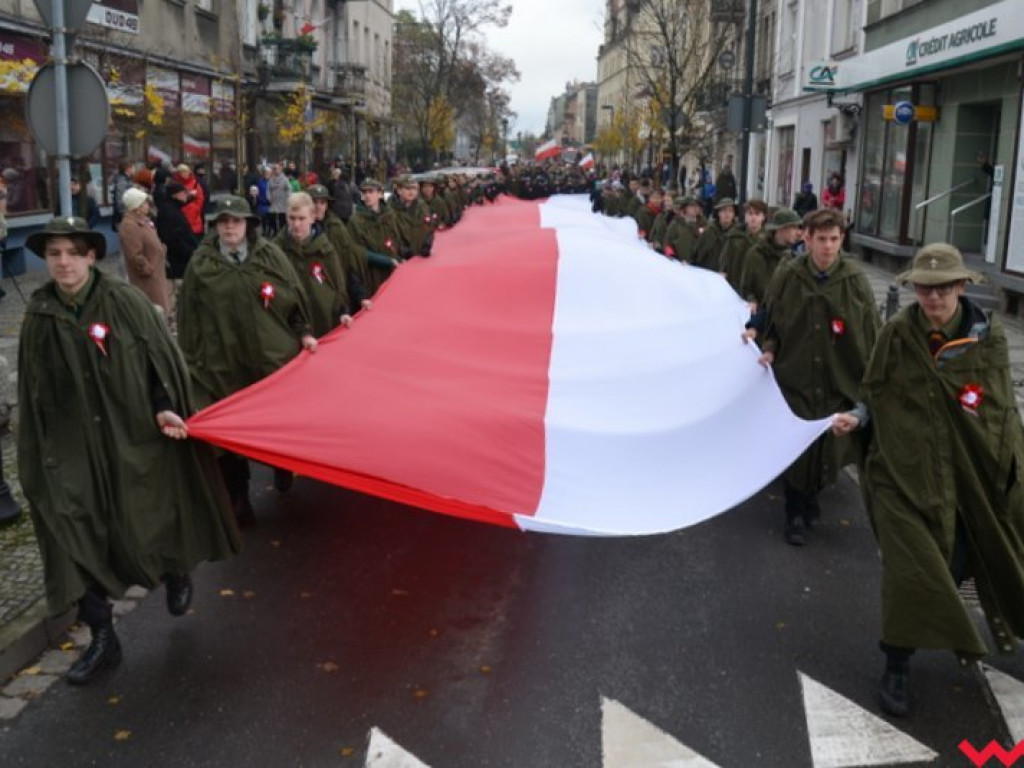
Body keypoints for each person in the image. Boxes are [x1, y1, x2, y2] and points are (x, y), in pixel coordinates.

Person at [17, 216, 239, 685]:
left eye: (72, 253)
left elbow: (162, 361)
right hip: (72, 449)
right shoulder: (39, 314)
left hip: (131, 434)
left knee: (150, 517)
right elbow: (33, 390)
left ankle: (176, 567)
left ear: (91, 257)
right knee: (71, 532)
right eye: (54, 254)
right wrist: (39, 456)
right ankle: (102, 635)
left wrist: (164, 407)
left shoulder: (124, 301)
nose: (62, 263)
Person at [832, 243, 1024, 718]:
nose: (932, 298)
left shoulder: (988, 338)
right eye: (924, 288)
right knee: (911, 568)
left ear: (961, 286)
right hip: (904, 472)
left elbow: (999, 409)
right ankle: (897, 661)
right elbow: (873, 391)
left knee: (985, 556)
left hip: (971, 475)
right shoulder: (897, 333)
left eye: (942, 289)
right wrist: (857, 418)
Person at [177, 196, 317, 522]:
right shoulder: (201, 265)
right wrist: (191, 360)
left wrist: (304, 332)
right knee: (229, 433)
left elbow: (294, 297)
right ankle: (238, 497)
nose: (229, 226)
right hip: (221, 361)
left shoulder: (270, 256)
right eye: (223, 221)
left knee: (279, 419)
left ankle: (283, 463)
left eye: (236, 220)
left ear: (248, 225)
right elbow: (188, 317)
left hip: (269, 357)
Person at [754, 208, 880, 545]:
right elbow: (775, 324)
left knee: (827, 451)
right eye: (821, 239)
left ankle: (810, 498)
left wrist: (870, 380)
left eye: (834, 239)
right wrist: (769, 347)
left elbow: (870, 334)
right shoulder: (790, 275)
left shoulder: (854, 281)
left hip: (837, 379)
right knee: (799, 448)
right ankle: (794, 513)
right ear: (807, 239)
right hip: (796, 377)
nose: (827, 247)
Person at [274, 191, 350, 337]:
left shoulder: (325, 249)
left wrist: (343, 312)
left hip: (324, 321)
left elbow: (338, 285)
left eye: (302, 219)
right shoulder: (276, 251)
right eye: (292, 218)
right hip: (291, 329)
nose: (296, 224)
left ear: (312, 218)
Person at [308, 184, 372, 314]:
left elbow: (348, 265)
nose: (318, 206)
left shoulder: (337, 227)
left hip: (338, 298)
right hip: (313, 302)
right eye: (314, 202)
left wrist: (360, 295)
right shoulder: (301, 232)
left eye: (322, 202)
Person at [119, 187, 171, 317]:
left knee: (160, 313)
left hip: (156, 275)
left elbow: (152, 242)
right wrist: (148, 270)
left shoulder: (143, 221)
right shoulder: (129, 226)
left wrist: (161, 249)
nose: (148, 206)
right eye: (145, 203)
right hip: (147, 281)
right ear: (137, 206)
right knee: (152, 314)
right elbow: (135, 255)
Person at [738, 207, 803, 311]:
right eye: (794, 228)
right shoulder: (756, 254)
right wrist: (752, 301)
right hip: (762, 316)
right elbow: (746, 288)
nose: (798, 233)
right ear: (781, 229)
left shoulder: (796, 256)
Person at [347, 179, 402, 296]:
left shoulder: (389, 215)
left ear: (380, 194)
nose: (367, 196)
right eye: (364, 192)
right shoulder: (355, 221)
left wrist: (399, 258)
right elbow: (356, 251)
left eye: (371, 192)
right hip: (371, 274)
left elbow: (397, 239)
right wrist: (385, 261)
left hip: (393, 271)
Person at [156, 181, 200, 284]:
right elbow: (173, 239)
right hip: (179, 262)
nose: (186, 195)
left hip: (183, 259)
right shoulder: (168, 211)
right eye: (184, 193)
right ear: (175, 195)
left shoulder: (174, 207)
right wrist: (190, 252)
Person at [719, 199, 767, 292]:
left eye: (757, 214)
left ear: (763, 217)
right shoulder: (735, 236)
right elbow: (725, 261)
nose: (753, 218)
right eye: (750, 214)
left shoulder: (767, 240)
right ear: (745, 216)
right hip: (735, 286)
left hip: (758, 290)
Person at [693, 198, 738, 272]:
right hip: (709, 275)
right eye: (724, 210)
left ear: (734, 214)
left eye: (730, 211)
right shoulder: (709, 232)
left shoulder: (738, 235)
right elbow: (698, 253)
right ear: (718, 213)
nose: (727, 214)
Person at [663, 196, 704, 263]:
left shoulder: (704, 223)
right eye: (692, 206)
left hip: (699, 265)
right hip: (680, 264)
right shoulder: (676, 223)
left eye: (697, 206)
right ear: (685, 208)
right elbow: (667, 242)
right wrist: (670, 255)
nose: (695, 208)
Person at [172, 163, 206, 238]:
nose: (184, 174)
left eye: (185, 171)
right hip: (181, 216)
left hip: (194, 217)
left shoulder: (195, 183)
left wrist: (196, 208)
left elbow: (200, 198)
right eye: (181, 172)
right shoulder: (175, 184)